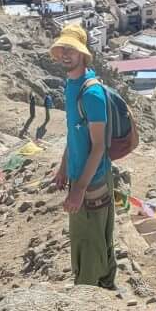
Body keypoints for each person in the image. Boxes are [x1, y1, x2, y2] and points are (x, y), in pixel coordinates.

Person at [48, 24, 115, 289]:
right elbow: (73, 134)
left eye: (72, 49)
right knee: (85, 236)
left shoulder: (92, 94)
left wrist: (79, 190)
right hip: (78, 175)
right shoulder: (71, 86)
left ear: (83, 54)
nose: (66, 54)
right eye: (62, 48)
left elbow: (98, 147)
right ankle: (102, 286)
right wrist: (64, 167)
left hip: (93, 181)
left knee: (91, 239)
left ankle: (90, 296)